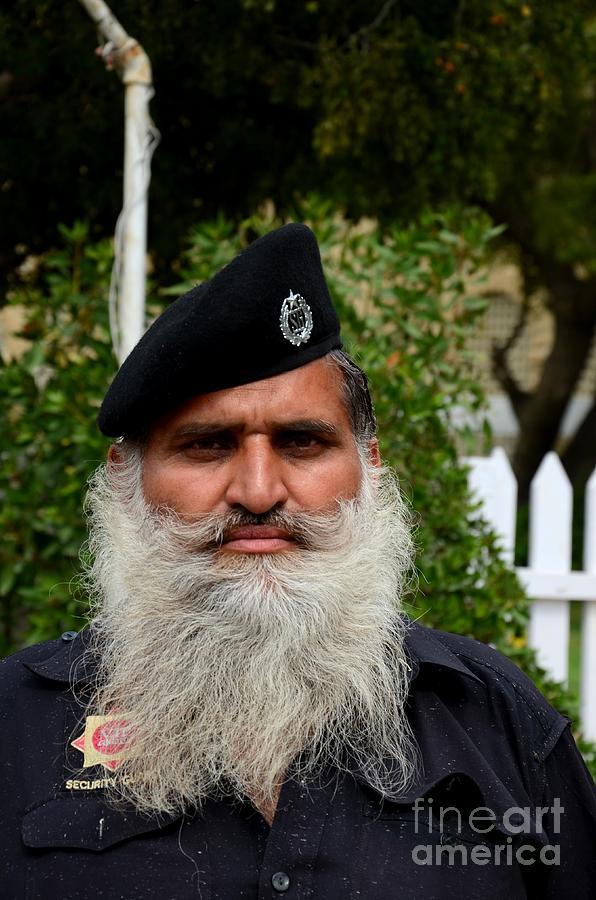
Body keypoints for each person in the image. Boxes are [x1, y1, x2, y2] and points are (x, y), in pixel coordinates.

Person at [1, 224, 595, 899]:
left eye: (303, 442)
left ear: (367, 467)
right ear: (125, 480)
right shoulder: (12, 728)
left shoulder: (494, 721)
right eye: (207, 445)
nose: (259, 492)